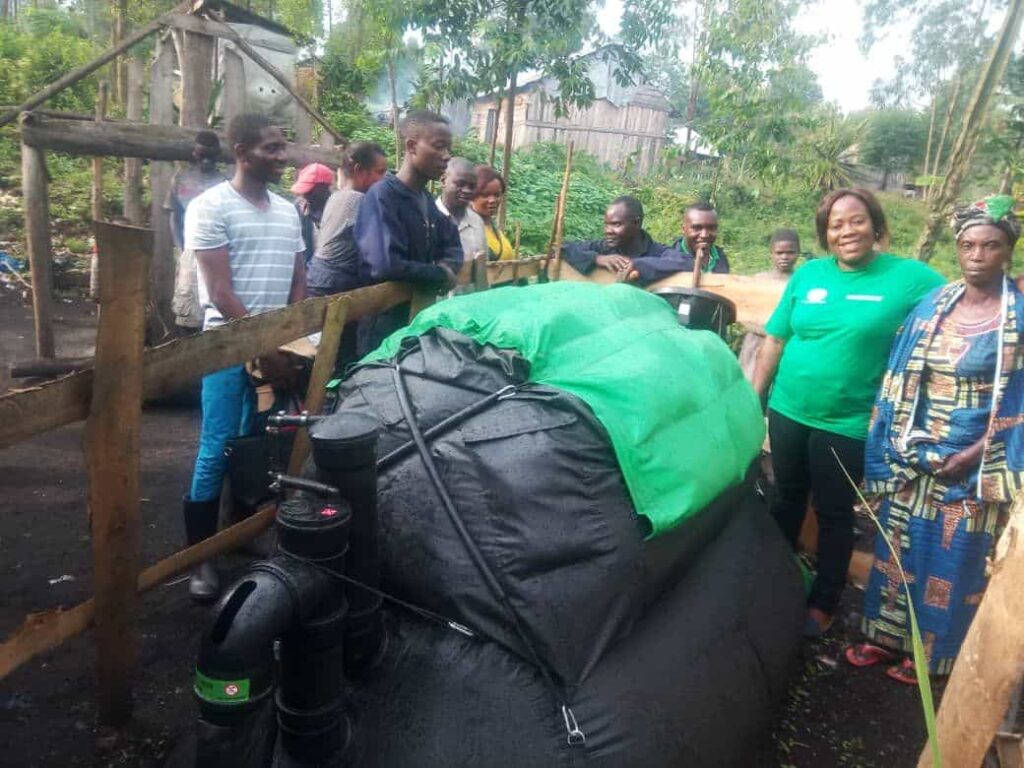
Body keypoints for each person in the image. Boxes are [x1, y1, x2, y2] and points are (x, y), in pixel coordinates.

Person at [752, 188, 945, 637]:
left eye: (856, 221)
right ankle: (775, 583)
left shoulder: (908, 278)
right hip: (789, 410)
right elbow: (776, 339)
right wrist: (755, 396)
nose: (846, 231)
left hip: (848, 423)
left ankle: (823, 602)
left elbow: (962, 301)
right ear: (825, 234)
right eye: (836, 225)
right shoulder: (809, 275)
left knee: (836, 514)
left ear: (876, 225)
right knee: (786, 498)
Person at [846, 195, 1023, 683]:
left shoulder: (1018, 319)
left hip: (972, 459)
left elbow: (1020, 401)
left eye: (991, 246)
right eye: (968, 245)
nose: (977, 255)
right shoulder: (935, 303)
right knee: (896, 544)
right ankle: (883, 638)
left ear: (1008, 251)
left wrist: (974, 454)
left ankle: (930, 655)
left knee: (952, 558)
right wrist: (899, 438)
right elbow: (901, 374)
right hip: (912, 452)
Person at [182, 114, 306, 601]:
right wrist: (262, 346)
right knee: (216, 447)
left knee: (257, 441)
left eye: (283, 148)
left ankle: (241, 531)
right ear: (241, 150)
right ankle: (200, 558)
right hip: (229, 346)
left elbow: (299, 279)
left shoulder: (286, 210)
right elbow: (219, 290)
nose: (282, 157)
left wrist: (295, 340)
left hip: (276, 349)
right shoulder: (210, 207)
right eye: (272, 149)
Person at [353, 109, 462, 353]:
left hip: (415, 319)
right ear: (412, 146)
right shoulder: (382, 196)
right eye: (439, 146)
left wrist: (448, 265)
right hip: (382, 327)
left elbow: (452, 242)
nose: (446, 156)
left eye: (449, 148)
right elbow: (385, 265)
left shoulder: (425, 199)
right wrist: (440, 275)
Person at [307, 141, 388, 297]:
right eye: (380, 172)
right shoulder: (357, 200)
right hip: (331, 283)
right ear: (359, 170)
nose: (384, 178)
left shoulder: (337, 196)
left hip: (319, 278)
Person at [165, 130, 226, 330]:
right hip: (189, 252)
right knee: (188, 313)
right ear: (194, 153)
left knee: (216, 307)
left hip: (218, 253)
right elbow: (174, 216)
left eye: (211, 157)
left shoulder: (225, 184)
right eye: (202, 156)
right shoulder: (180, 179)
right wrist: (181, 250)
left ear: (218, 155)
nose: (206, 161)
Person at [560, 196, 674, 284]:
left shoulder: (657, 252)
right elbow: (562, 247)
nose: (608, 231)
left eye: (616, 224)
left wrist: (636, 264)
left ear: (636, 223)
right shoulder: (604, 247)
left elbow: (686, 261)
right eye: (606, 224)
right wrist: (595, 258)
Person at [738, 229, 801, 380]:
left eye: (790, 252)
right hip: (755, 344)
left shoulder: (801, 281)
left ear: (799, 252)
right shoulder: (759, 280)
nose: (784, 257)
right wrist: (771, 333)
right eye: (779, 253)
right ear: (771, 253)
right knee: (750, 387)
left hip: (788, 345)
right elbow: (744, 315)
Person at [436, 157, 487, 261]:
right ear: (443, 180)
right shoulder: (428, 217)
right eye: (460, 184)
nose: (467, 190)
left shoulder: (477, 222)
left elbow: (483, 265)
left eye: (472, 186)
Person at [291, 162, 335, 265]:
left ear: (324, 188)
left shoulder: (337, 209)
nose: (304, 195)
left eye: (309, 191)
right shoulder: (299, 207)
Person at [470, 165, 515, 261]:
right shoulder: (467, 229)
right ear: (472, 196)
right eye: (485, 195)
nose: (492, 200)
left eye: (497, 195)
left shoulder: (492, 227)